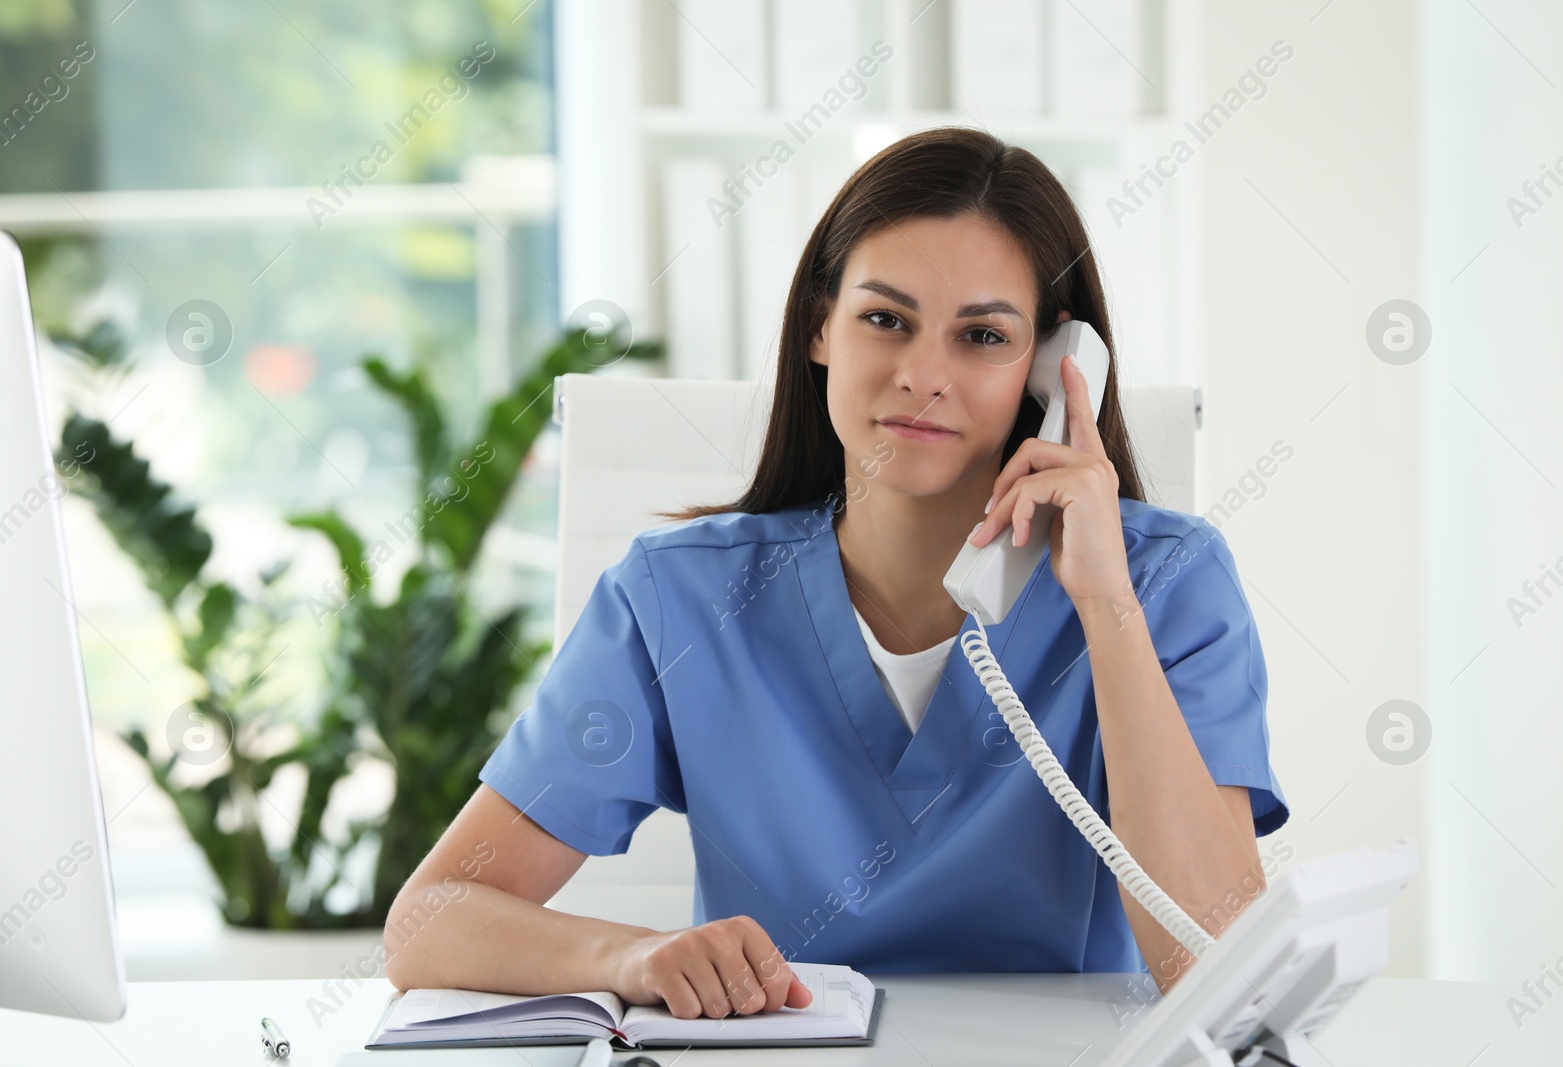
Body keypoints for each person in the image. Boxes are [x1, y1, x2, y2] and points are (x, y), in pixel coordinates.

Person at [384, 126, 1288, 1018]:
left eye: (982, 336)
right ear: (821, 326)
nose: (922, 374)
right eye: (885, 320)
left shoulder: (1166, 582)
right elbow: (428, 922)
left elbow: (1216, 960)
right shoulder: (676, 599)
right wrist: (631, 953)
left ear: (1053, 369)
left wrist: (1104, 601)